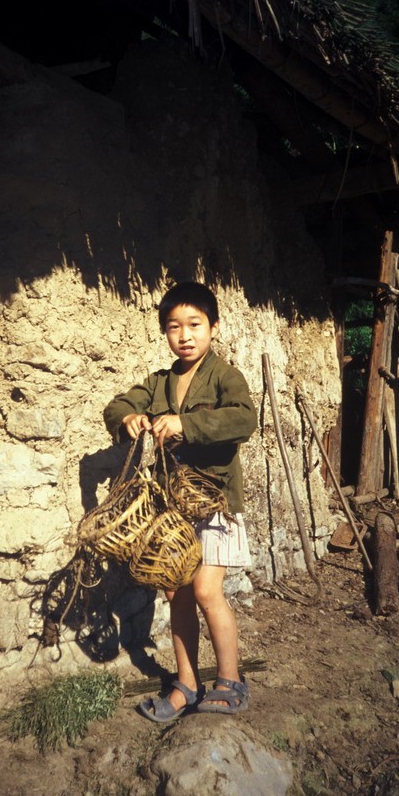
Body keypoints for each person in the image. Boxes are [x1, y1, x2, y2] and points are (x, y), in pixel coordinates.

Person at [103, 281, 257, 722]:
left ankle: (231, 682)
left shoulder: (225, 375)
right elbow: (117, 405)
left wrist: (186, 425)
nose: (185, 335)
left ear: (213, 327)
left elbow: (245, 419)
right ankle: (187, 685)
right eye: (174, 327)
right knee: (178, 594)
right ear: (164, 332)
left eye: (195, 324)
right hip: (172, 512)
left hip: (215, 503)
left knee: (208, 592)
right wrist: (130, 417)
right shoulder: (159, 382)